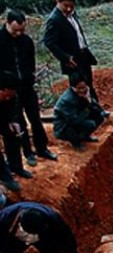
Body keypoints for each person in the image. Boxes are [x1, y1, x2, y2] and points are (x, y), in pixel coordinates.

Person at [0, 11, 58, 167]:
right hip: (10, 90)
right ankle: (28, 152)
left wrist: (30, 78)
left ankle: (42, 148)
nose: (18, 33)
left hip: (27, 87)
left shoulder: (26, 41)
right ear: (7, 23)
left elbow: (31, 63)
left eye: (21, 30)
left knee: (35, 119)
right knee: (19, 122)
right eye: (15, 30)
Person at [44, 0, 101, 103]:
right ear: (58, 1)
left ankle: (95, 111)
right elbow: (49, 42)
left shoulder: (71, 15)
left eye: (72, 6)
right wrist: (65, 58)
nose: (69, 9)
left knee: (88, 85)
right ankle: (82, 114)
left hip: (83, 56)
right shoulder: (55, 19)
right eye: (66, 6)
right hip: (72, 61)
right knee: (79, 89)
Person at [53, 72, 108, 151]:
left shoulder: (86, 93)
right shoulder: (67, 100)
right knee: (90, 124)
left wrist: (89, 101)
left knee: (100, 116)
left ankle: (84, 137)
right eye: (79, 88)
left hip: (78, 118)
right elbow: (74, 121)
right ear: (73, 87)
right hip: (64, 128)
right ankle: (75, 141)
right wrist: (87, 109)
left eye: (84, 87)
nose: (82, 90)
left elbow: (99, 110)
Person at [0, 72, 29, 192]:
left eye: (10, 95)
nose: (8, 98)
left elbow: (13, 110)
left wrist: (13, 122)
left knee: (14, 137)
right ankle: (6, 178)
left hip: (3, 119)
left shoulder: (12, 96)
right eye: (5, 95)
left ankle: (16, 167)